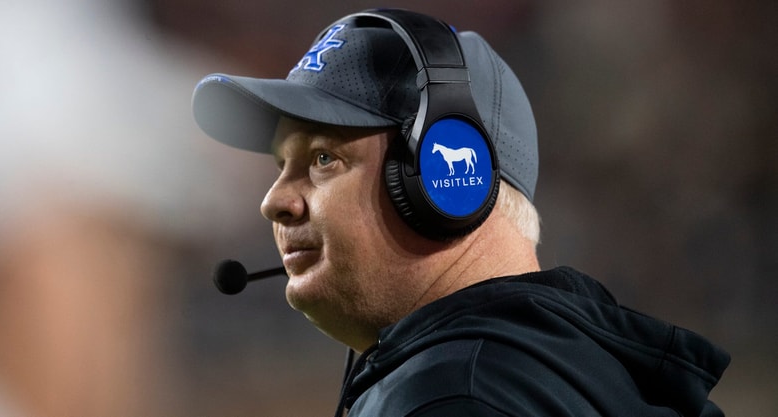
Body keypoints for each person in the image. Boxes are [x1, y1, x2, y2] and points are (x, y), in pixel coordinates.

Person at [191, 8, 730, 417]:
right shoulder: (560, 372)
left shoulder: (455, 395)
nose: (274, 200)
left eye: (324, 158)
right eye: (282, 164)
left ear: (446, 182)